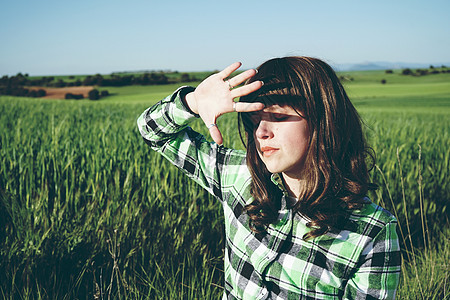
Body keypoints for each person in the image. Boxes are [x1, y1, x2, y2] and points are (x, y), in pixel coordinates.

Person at [137, 56, 401, 299]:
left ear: (325, 121)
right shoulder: (240, 176)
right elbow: (153, 131)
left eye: (277, 117)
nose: (261, 132)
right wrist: (192, 103)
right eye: (254, 120)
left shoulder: (372, 231)